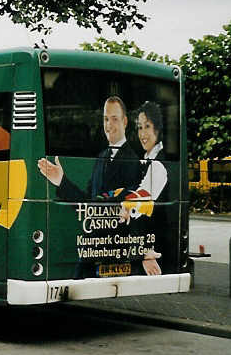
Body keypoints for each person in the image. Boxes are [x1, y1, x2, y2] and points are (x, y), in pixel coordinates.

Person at [37, 96, 141, 202]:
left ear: (125, 121)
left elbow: (123, 206)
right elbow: (88, 203)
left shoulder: (133, 161)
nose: (109, 124)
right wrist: (61, 181)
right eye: (106, 119)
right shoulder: (101, 157)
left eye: (114, 119)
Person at [119, 100, 168, 276]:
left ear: (158, 128)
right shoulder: (146, 159)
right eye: (140, 127)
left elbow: (144, 195)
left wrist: (127, 204)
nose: (142, 134)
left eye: (147, 126)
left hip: (154, 242)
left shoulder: (158, 165)